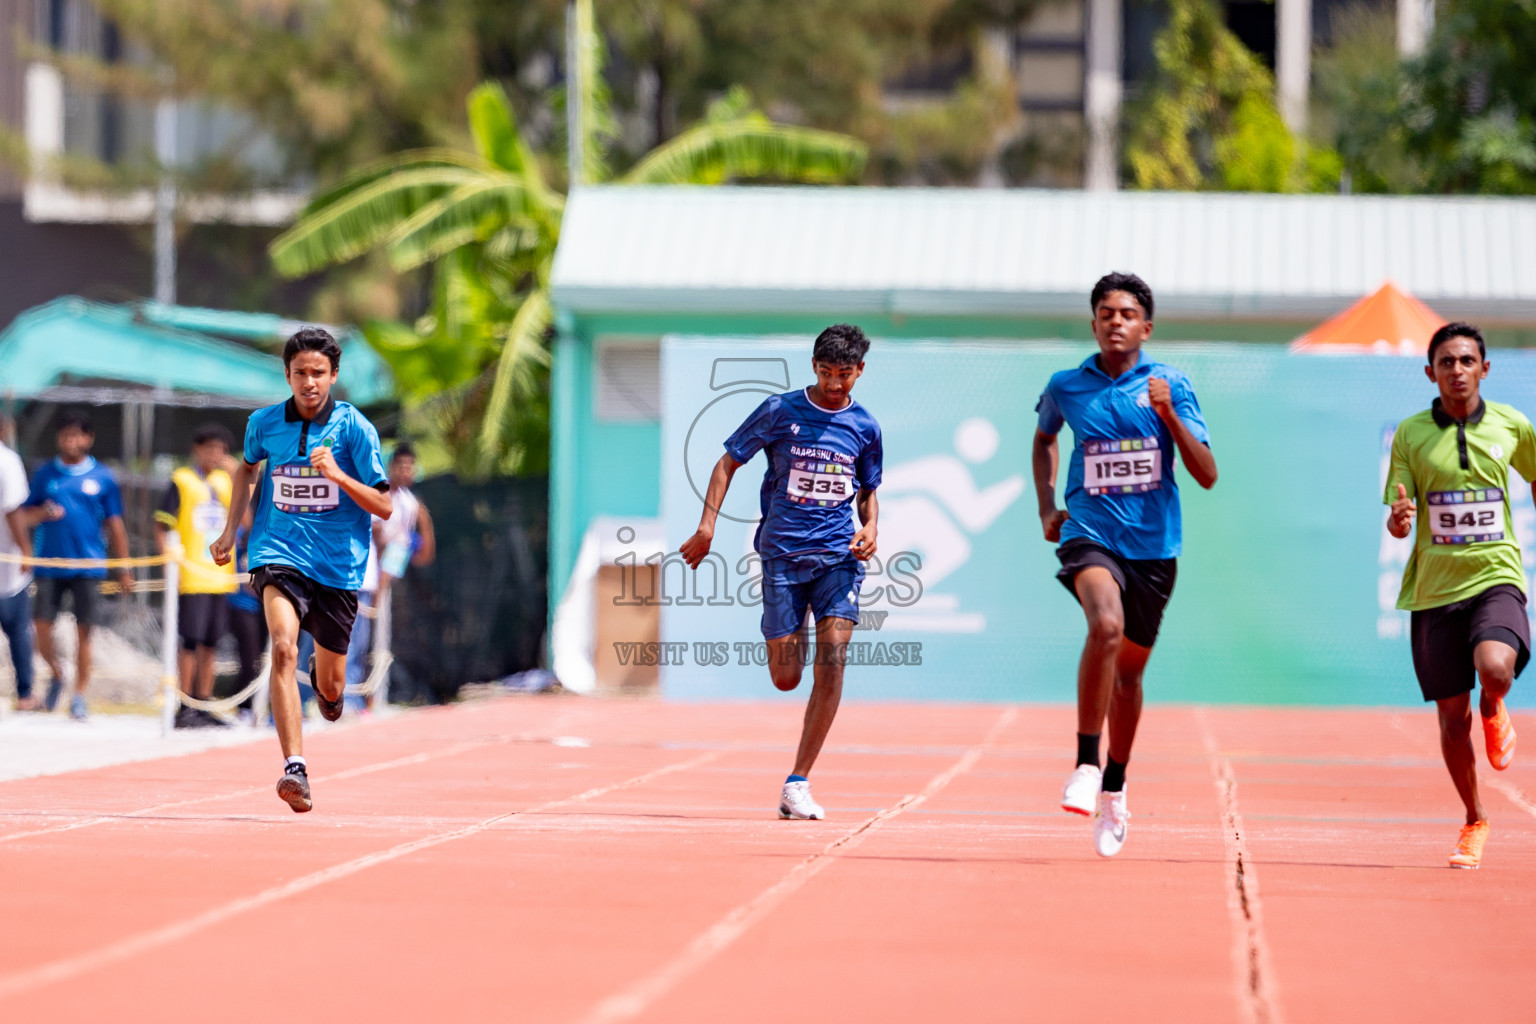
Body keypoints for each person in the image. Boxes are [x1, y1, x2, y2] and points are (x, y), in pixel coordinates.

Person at [1033, 272, 1217, 858]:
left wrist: (1169, 416)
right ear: (1094, 323)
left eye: (1128, 313)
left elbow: (1207, 474)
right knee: (1104, 626)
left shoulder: (1171, 385)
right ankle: (1086, 763)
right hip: (1090, 535)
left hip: (1155, 549)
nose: (1116, 321)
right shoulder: (1067, 385)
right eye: (1106, 313)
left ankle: (1114, 784)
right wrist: (1047, 506)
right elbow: (1043, 439)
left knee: (1131, 677)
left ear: (1147, 327)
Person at [680, 323, 882, 820]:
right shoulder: (780, 411)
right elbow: (727, 463)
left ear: (860, 371)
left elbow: (867, 489)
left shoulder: (866, 427)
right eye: (828, 373)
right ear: (814, 366)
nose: (836, 385)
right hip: (782, 557)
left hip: (838, 559)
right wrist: (707, 527)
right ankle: (790, 633)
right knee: (787, 677)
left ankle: (798, 782)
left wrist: (872, 525)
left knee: (833, 660)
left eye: (846, 375)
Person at [211, 328, 391, 813]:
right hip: (277, 552)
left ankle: (327, 688)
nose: (309, 382)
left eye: (318, 373)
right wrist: (232, 532)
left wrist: (336, 474)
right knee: (284, 648)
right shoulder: (264, 424)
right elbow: (246, 469)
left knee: (331, 687)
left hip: (337, 566)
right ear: (287, 375)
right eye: (299, 373)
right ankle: (295, 767)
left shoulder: (354, 428)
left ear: (333, 375)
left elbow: (385, 505)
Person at [1385, 322, 1529, 870]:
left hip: (1495, 574)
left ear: (1484, 368)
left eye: (1467, 360)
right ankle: (1474, 818)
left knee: (1495, 668)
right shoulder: (1411, 434)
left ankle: (1495, 703)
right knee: (1450, 719)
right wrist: (1401, 520)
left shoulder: (1514, 425)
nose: (1457, 370)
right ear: (1431, 372)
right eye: (1446, 362)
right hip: (1434, 589)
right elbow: (1399, 522)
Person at [22, 409, 134, 720]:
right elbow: (24, 515)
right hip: (49, 564)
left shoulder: (103, 477)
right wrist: (42, 513)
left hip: (88, 566)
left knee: (85, 632)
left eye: (77, 434)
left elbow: (115, 524)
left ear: (88, 438)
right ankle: (57, 672)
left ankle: (80, 695)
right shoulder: (46, 474)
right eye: (65, 434)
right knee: (41, 626)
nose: (71, 440)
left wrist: (123, 566)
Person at [154, 424, 237, 729]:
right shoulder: (182, 480)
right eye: (210, 448)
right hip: (192, 573)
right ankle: (184, 703)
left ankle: (203, 702)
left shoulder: (227, 482)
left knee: (211, 643)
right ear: (197, 449)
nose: (215, 455)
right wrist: (169, 562)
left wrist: (239, 475)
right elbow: (161, 524)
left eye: (221, 449)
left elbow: (248, 520)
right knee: (190, 640)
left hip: (220, 575)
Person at [350, 443, 435, 706]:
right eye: (401, 465)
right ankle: (342, 698)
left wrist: (425, 522)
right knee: (351, 640)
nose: (406, 471)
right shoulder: (378, 492)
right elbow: (376, 533)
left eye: (410, 466)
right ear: (391, 467)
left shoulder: (410, 504)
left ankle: (373, 698)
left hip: (382, 581)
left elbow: (411, 550)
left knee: (373, 642)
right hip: (357, 575)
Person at [0, 415, 35, 710]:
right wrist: (26, 549)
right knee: (18, 629)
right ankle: (25, 693)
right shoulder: (7, 461)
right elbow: (13, 510)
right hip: (6, 565)